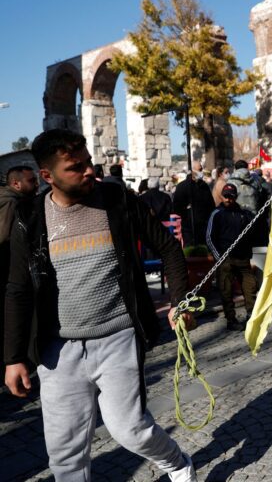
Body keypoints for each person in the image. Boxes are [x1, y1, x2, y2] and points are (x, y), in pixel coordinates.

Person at [3, 129, 197, 482]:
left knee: (131, 430)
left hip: (118, 338)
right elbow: (18, 288)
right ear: (47, 176)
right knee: (65, 454)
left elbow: (168, 248)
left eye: (89, 161)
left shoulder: (117, 199)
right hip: (57, 352)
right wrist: (13, 357)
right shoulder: (28, 218)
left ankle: (178, 464)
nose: (90, 170)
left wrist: (179, 301)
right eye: (76, 167)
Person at [0, 166, 38, 374]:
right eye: (31, 181)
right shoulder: (12, 203)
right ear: (16, 184)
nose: (36, 184)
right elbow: (5, 238)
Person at [206, 183, 258, 331]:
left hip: (242, 258)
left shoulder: (243, 213)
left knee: (250, 286)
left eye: (231, 196)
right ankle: (231, 319)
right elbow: (209, 237)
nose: (228, 199)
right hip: (225, 258)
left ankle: (251, 314)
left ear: (235, 197)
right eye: (226, 196)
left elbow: (252, 232)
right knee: (226, 290)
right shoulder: (217, 213)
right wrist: (219, 257)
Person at [172, 162, 215, 247]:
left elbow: (211, 205)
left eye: (201, 169)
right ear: (192, 171)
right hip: (189, 228)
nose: (201, 171)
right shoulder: (182, 187)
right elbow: (177, 207)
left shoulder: (204, 186)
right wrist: (187, 214)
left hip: (204, 227)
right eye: (199, 169)